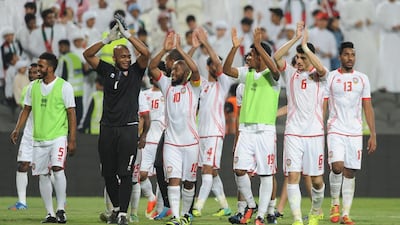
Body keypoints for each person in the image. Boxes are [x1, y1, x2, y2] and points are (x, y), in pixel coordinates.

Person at [82, 14, 150, 225]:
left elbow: (146, 52)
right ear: (114, 58)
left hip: (128, 129)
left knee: (126, 173)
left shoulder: (137, 72)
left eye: (128, 57)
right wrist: (106, 40)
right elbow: (87, 54)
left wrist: (128, 35)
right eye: (123, 57)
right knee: (109, 174)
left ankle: (122, 215)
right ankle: (118, 210)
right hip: (108, 128)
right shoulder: (107, 71)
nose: (127, 60)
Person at [223, 27, 280, 225]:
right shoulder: (246, 74)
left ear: (261, 57)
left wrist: (258, 45)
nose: (248, 58)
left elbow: (274, 69)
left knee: (266, 175)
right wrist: (234, 47)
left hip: (265, 130)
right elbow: (226, 70)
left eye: (252, 54)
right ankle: (252, 205)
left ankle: (261, 216)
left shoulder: (272, 77)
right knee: (239, 170)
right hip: (246, 130)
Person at [10, 52, 76, 223]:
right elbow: (26, 109)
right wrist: (17, 129)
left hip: (58, 137)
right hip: (38, 139)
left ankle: (61, 209)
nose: (37, 69)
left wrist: (72, 139)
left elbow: (71, 113)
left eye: (41, 66)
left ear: (51, 68)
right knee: (43, 175)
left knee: (57, 168)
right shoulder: (33, 87)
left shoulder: (64, 86)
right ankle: (50, 213)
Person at [273, 22, 327, 225]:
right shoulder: (290, 73)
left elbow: (320, 68)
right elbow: (277, 57)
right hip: (293, 133)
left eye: (303, 57)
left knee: (316, 180)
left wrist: (306, 48)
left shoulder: (320, 76)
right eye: (297, 57)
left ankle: (315, 210)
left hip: (314, 133)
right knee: (293, 175)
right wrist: (296, 40)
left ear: (310, 58)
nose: (299, 60)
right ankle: (297, 218)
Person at [148, 32, 201, 225]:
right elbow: (152, 66)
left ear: (185, 74)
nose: (173, 72)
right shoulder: (166, 85)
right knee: (174, 180)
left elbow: (194, 69)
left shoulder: (194, 87)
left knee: (189, 182)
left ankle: (186, 214)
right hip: (172, 143)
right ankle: (176, 217)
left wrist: (180, 50)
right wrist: (165, 48)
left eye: (178, 70)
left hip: (191, 143)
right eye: (173, 69)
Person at [325, 41, 377, 225]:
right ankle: (334, 204)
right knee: (337, 166)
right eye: (346, 54)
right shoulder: (330, 77)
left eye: (353, 55)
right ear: (340, 56)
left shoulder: (362, 78)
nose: (350, 58)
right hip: (335, 129)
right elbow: (324, 103)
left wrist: (372, 134)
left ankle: (345, 214)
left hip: (355, 131)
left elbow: (368, 107)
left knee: (350, 171)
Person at [191, 28, 234, 217]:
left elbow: (217, 61)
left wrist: (205, 42)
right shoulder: (203, 85)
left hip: (215, 132)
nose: (219, 68)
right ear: (208, 67)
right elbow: (189, 68)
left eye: (220, 65)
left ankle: (197, 207)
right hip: (202, 133)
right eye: (216, 66)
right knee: (211, 171)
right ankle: (225, 206)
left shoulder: (223, 83)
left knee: (207, 170)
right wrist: (194, 47)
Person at [8, 63, 40, 211]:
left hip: (46, 133)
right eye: (30, 73)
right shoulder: (28, 89)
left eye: (35, 73)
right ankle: (22, 202)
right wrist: (17, 129)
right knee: (22, 165)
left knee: (52, 168)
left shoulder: (51, 87)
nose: (32, 75)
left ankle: (61, 200)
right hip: (29, 133)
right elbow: (26, 110)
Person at [57, 39, 85, 125]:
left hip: (68, 91)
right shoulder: (76, 57)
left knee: (67, 113)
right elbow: (83, 71)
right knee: (78, 113)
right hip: (79, 91)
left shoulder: (63, 59)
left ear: (67, 47)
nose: (60, 49)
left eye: (61, 47)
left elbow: (63, 76)